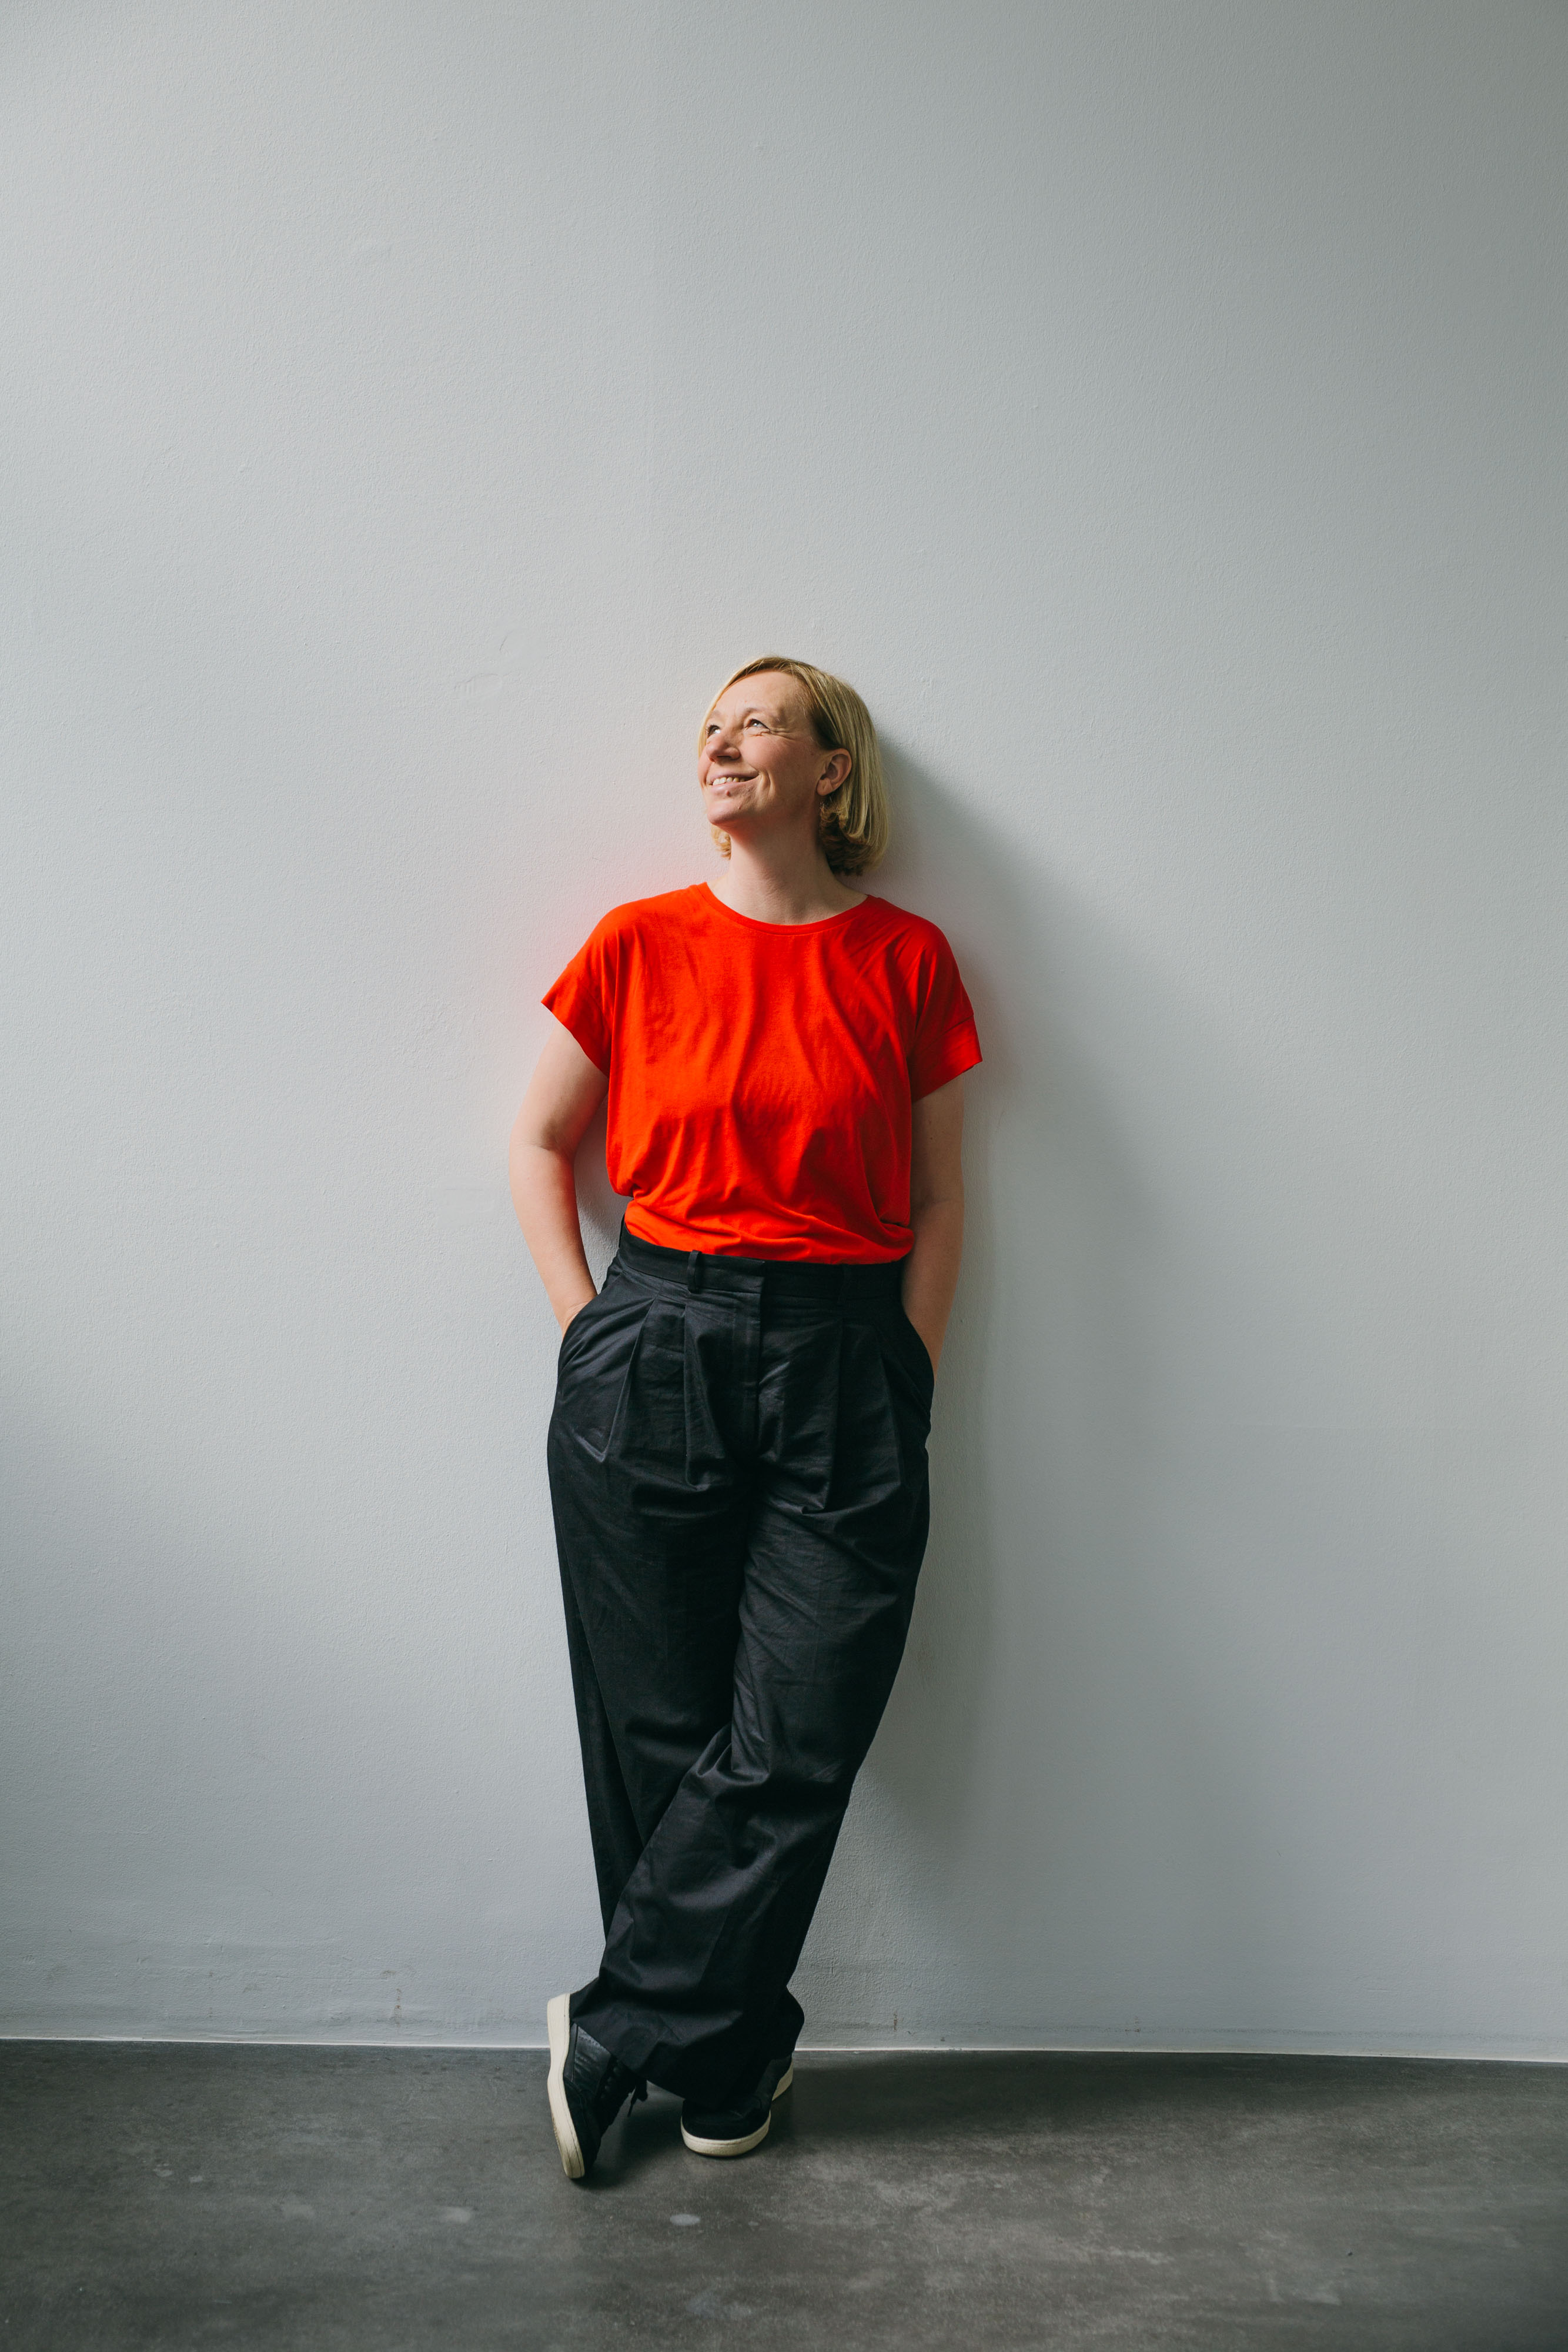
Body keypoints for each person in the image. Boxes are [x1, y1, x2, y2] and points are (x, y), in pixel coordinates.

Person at [508, 656, 981, 2179]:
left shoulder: (907, 958)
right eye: (709, 724)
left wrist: (907, 1367)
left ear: (831, 770)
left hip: (847, 1356)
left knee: (800, 1729)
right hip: (654, 1336)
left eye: (757, 720)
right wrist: (590, 1331)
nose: (719, 740)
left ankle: (614, 2027)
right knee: (656, 1730)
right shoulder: (636, 943)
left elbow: (941, 1196)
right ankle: (726, 2054)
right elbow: (538, 1143)